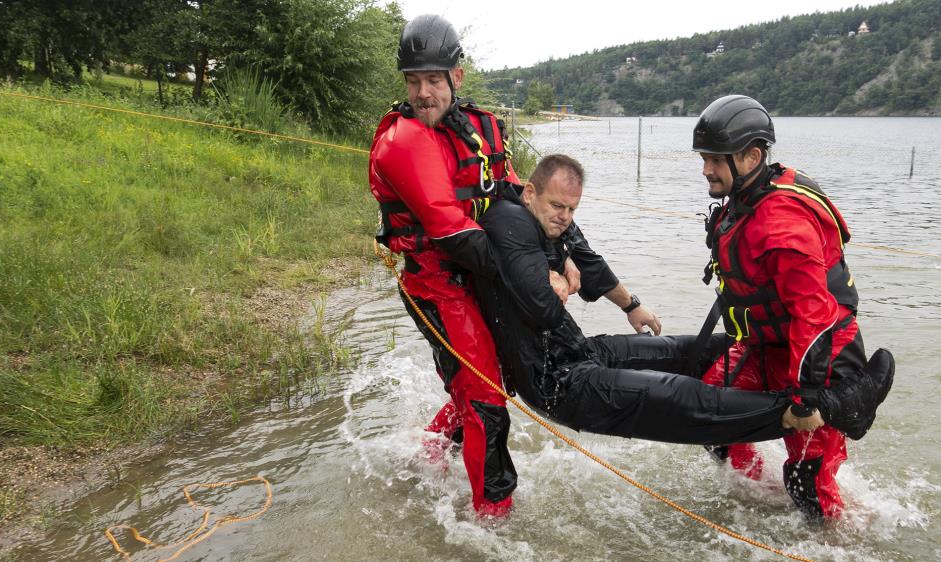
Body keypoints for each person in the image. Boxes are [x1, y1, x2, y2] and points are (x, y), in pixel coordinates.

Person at [473, 153, 829, 445]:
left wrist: (631, 306)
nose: (564, 216)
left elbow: (589, 262)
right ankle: (801, 412)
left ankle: (786, 364)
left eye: (571, 209)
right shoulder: (511, 222)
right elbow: (544, 308)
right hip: (554, 382)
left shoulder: (550, 220)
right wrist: (559, 278)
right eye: (557, 206)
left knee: (686, 348)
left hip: (576, 352)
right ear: (530, 193)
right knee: (673, 394)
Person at [691, 94, 895, 518]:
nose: (706, 168)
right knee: (710, 418)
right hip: (767, 346)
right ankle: (754, 495)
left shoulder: (783, 224)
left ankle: (842, 538)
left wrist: (804, 402)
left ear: (752, 156)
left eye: (714, 158)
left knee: (807, 480)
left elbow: (814, 316)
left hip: (817, 359)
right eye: (704, 157)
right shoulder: (746, 195)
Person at [368, 14, 522, 517]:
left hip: (475, 279)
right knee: (486, 398)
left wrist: (565, 259)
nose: (423, 94)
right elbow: (455, 234)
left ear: (456, 76)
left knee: (491, 383)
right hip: (436, 286)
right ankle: (493, 522)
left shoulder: (478, 128)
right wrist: (531, 279)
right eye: (414, 82)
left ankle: (428, 452)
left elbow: (519, 198)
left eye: (434, 80)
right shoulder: (404, 141)